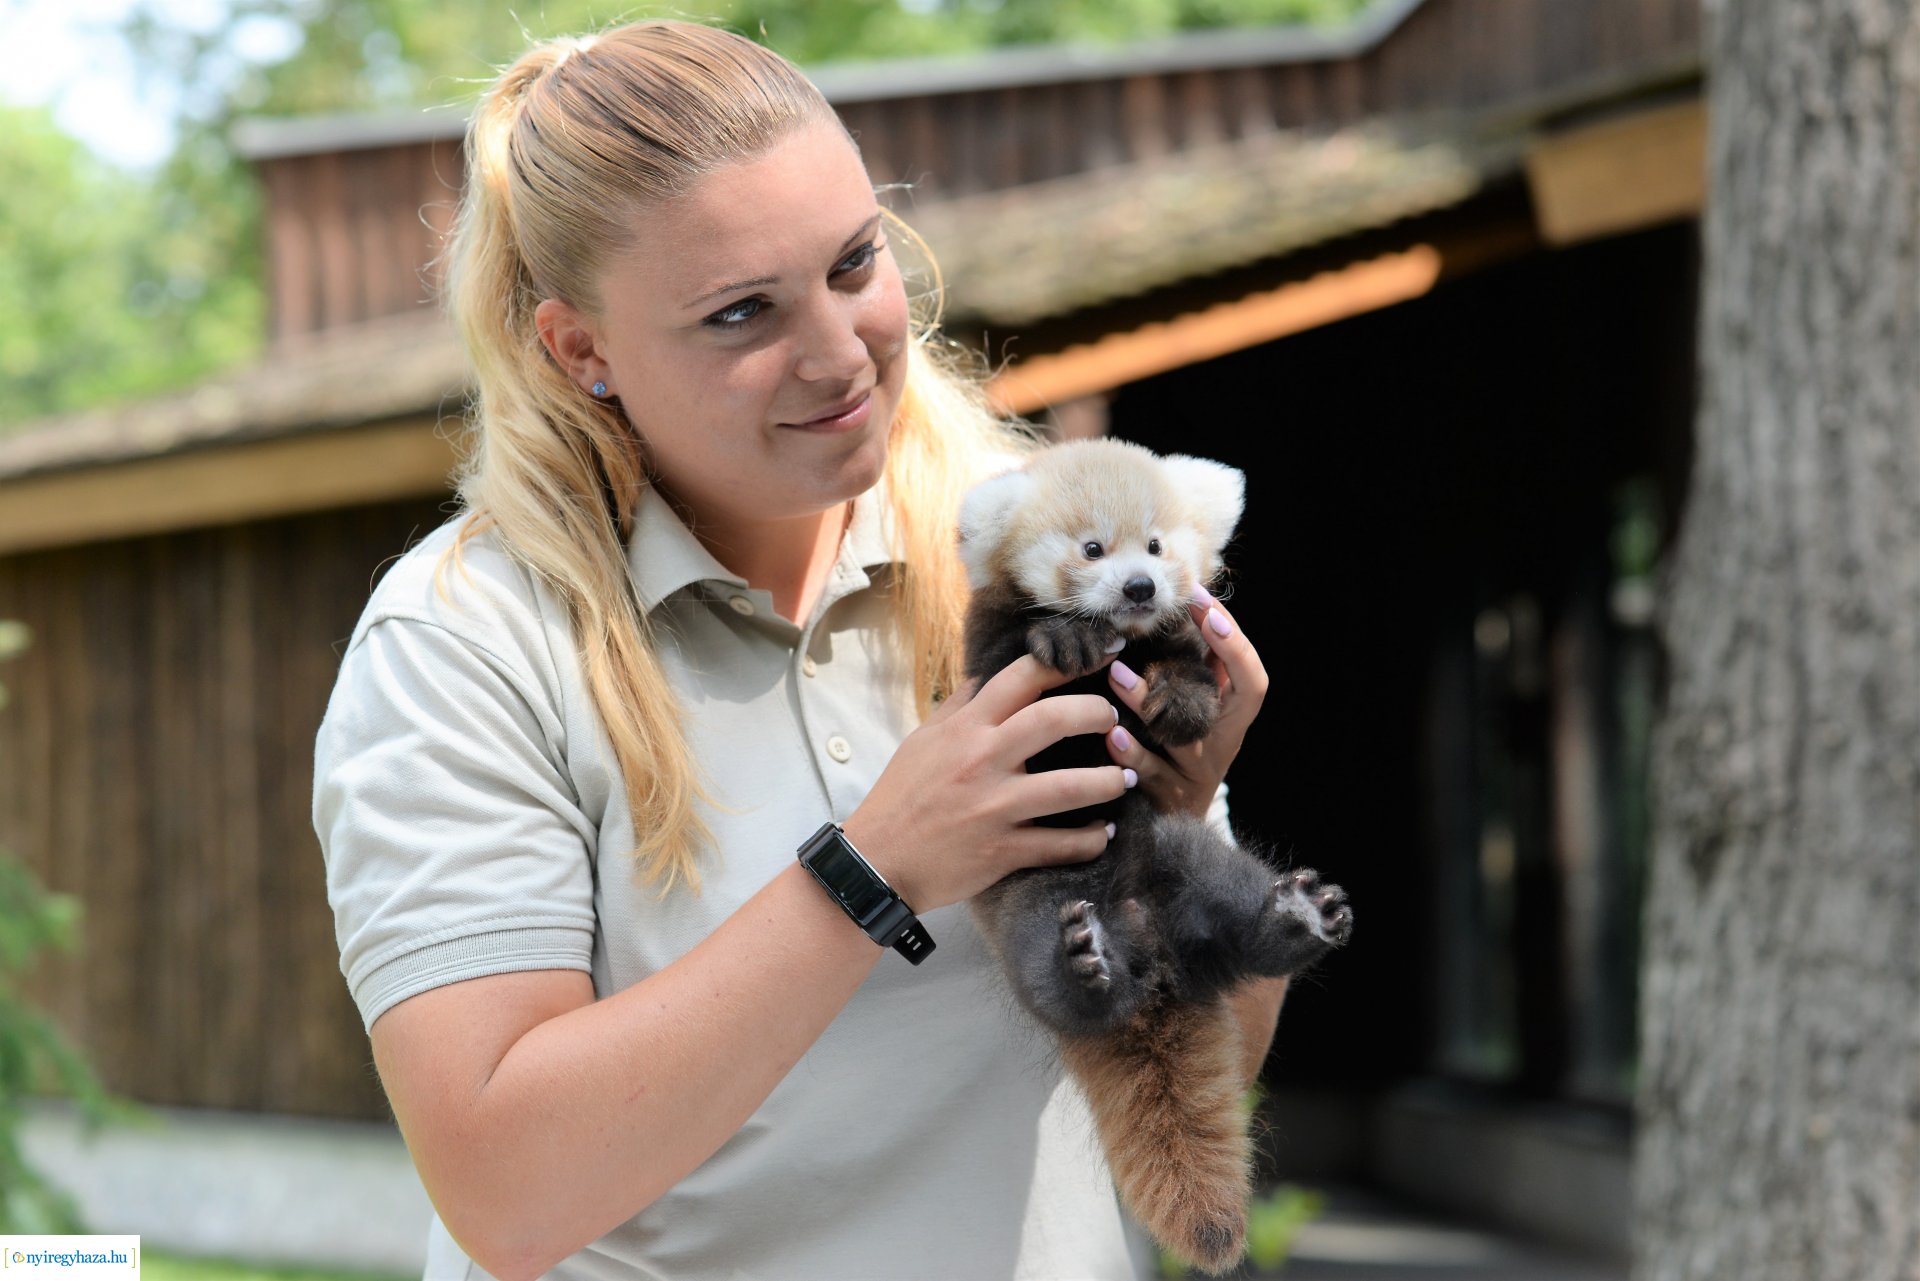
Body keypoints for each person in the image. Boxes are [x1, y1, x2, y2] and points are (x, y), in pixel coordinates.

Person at [313, 19, 1282, 1281]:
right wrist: (874, 869)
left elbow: (1198, 1074)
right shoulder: (462, 643)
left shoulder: (1037, 547)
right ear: (580, 349)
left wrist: (1182, 816)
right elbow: (505, 1196)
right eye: (739, 313)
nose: (839, 353)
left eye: (852, 263)